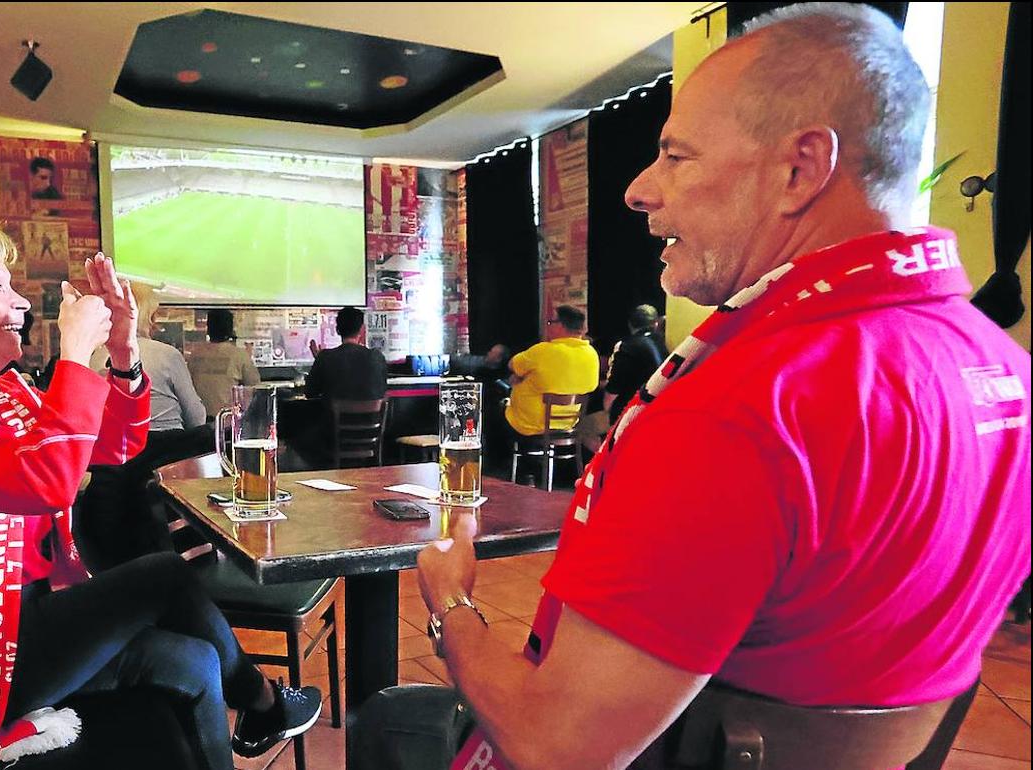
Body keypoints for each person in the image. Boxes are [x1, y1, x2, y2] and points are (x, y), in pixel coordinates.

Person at [352, 5, 1031, 769]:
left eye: (677, 156)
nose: (640, 189)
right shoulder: (1007, 368)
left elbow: (556, 747)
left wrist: (452, 604)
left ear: (799, 170)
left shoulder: (742, 406)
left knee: (386, 720)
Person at [0, 222, 321, 769]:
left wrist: (123, 353)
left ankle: (261, 709)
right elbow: (44, 481)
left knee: (197, 661)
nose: (20, 303)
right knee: (162, 573)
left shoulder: (7, 394)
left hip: (31, 619)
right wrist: (75, 352)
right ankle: (265, 705)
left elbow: (113, 447)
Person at [84, 282, 210, 571]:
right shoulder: (167, 354)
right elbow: (196, 417)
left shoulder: (91, 357)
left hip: (114, 467)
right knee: (207, 435)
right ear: (145, 317)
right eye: (153, 315)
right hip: (169, 461)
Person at [500, 305, 600, 458]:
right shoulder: (591, 354)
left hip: (529, 425)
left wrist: (520, 378)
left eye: (550, 323)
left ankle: (510, 471)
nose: (548, 327)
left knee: (494, 409)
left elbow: (512, 364)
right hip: (569, 425)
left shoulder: (543, 351)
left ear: (560, 325)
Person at [305, 306, 388, 401]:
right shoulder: (376, 357)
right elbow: (381, 391)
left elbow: (310, 393)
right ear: (362, 330)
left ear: (337, 330)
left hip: (335, 415)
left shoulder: (326, 357)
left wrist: (320, 360)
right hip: (373, 416)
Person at [189, 308, 261, 416]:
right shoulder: (239, 355)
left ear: (208, 329)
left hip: (199, 421)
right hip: (227, 421)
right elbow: (255, 388)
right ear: (230, 329)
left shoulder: (195, 354)